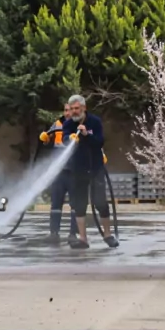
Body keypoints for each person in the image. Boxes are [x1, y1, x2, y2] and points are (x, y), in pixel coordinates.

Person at [62, 94, 119, 249]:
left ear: (84, 108)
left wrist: (87, 135)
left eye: (77, 108)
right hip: (77, 169)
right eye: (72, 109)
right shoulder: (68, 124)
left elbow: (99, 141)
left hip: (95, 168)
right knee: (79, 204)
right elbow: (64, 139)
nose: (74, 112)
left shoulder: (95, 122)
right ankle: (83, 239)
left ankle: (108, 235)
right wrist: (70, 138)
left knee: (100, 202)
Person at [39, 103, 77, 244]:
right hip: (58, 172)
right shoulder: (57, 125)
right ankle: (54, 233)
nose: (68, 113)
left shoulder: (79, 126)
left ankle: (73, 234)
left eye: (70, 111)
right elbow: (48, 142)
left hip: (74, 172)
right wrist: (45, 139)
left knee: (75, 206)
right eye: (66, 110)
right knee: (55, 204)